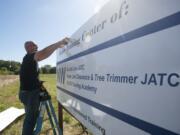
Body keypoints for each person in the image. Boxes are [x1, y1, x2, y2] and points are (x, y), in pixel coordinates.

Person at [19, 38, 69, 135]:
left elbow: (28, 75)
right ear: (29, 47)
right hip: (30, 94)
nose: (37, 46)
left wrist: (37, 81)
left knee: (30, 116)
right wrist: (58, 44)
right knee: (31, 119)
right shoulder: (30, 56)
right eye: (34, 45)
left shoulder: (28, 59)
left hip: (25, 93)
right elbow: (44, 52)